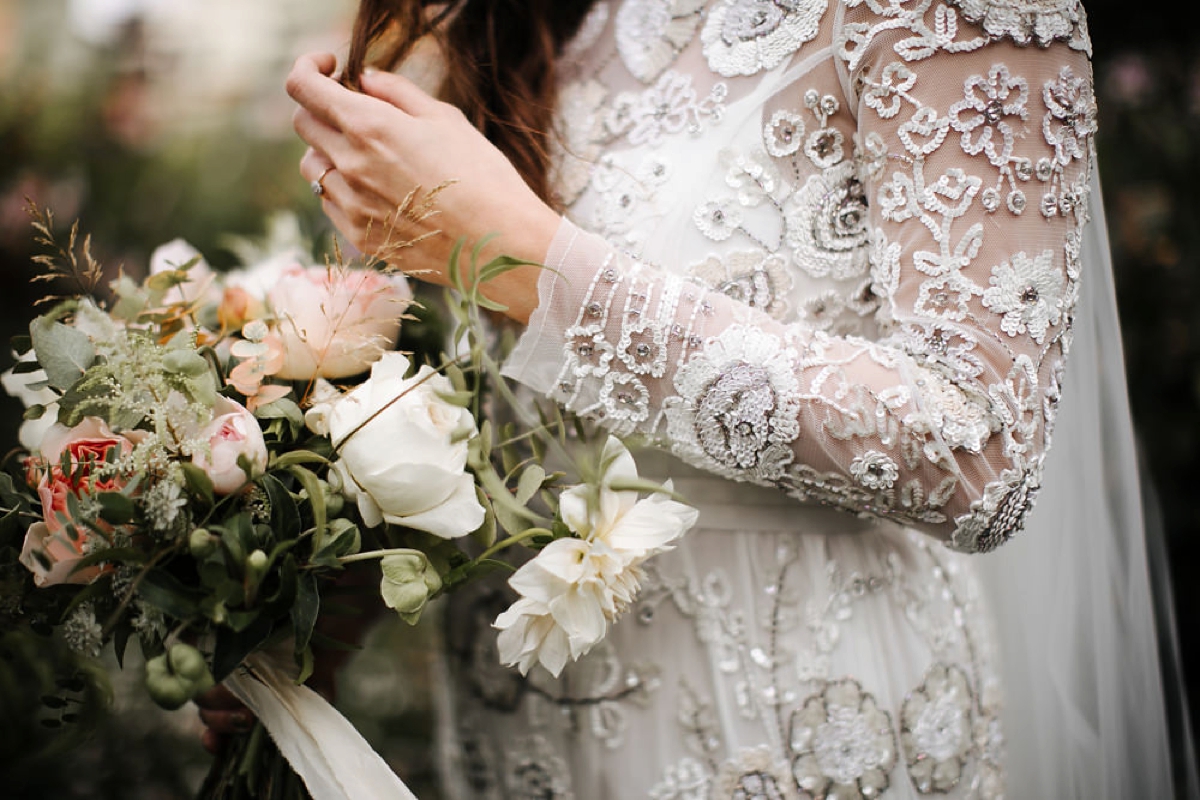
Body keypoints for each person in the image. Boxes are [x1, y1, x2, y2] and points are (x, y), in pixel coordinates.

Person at [210, 1, 1193, 797]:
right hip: (517, 721)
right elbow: (481, 402)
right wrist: (307, 593)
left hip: (797, 724)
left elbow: (980, 453)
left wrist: (531, 263)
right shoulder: (530, 21)